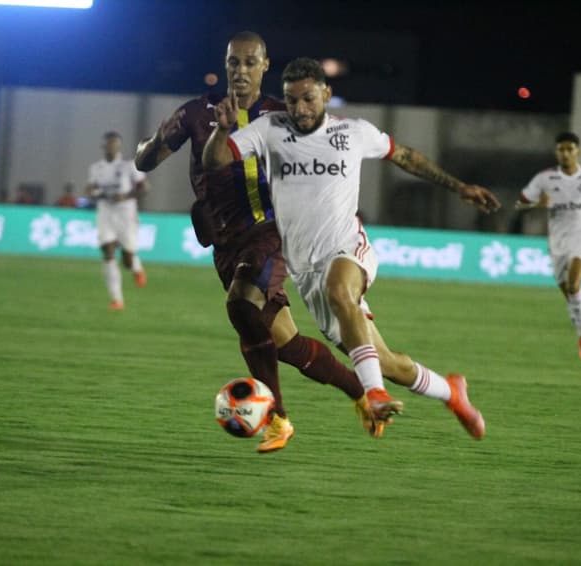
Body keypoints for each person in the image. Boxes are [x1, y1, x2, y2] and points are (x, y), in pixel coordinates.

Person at [203, 57, 501, 440]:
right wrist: (221, 131)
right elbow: (217, 161)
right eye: (292, 100)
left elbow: (405, 156)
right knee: (388, 361)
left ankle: (373, 393)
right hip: (306, 270)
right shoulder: (269, 130)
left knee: (339, 289)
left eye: (309, 98)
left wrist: (458, 187)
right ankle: (451, 392)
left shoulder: (354, 132)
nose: (300, 109)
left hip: (346, 248)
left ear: (326, 94)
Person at [136, 32, 376, 453]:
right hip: (226, 245)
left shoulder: (285, 116)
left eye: (250, 63)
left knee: (241, 304)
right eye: (234, 63)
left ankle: (277, 418)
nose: (241, 71)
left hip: (273, 233)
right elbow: (147, 157)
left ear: (265, 67)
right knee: (286, 344)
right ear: (225, 65)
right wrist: (149, 147)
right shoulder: (196, 113)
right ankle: (360, 393)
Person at [515, 132, 581, 370]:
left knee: (573, 286)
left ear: (578, 151)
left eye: (570, 149)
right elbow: (520, 203)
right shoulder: (545, 179)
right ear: (556, 152)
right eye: (561, 149)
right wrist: (536, 204)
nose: (566, 153)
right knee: (570, 295)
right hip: (557, 242)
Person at [86, 131, 149, 310]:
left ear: (119, 146)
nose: (112, 147)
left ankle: (136, 267)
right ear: (103, 146)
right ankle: (117, 300)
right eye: (109, 144)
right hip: (105, 213)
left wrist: (126, 196)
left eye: (115, 144)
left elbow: (144, 188)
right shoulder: (96, 168)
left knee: (127, 259)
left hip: (126, 215)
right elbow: (90, 189)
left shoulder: (129, 166)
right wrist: (92, 192)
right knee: (108, 251)